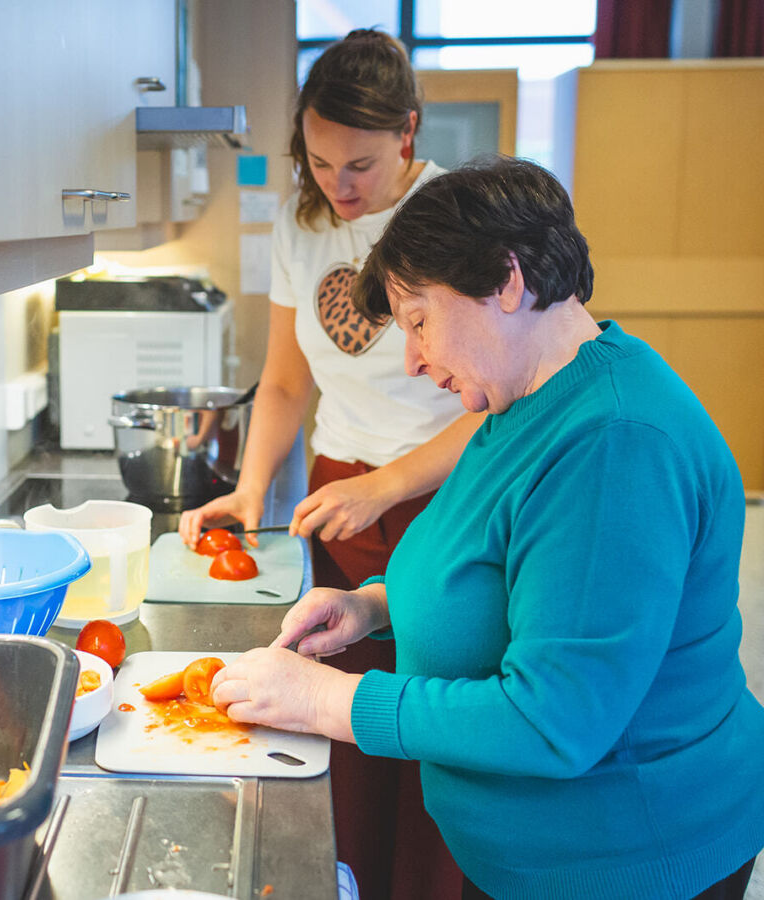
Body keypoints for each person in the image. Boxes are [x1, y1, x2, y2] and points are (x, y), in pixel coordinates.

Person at [209, 155, 764, 900]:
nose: (412, 360)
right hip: (528, 859)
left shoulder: (615, 445)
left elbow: (553, 719)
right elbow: (497, 565)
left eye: (419, 321)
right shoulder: (523, 401)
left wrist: (327, 701)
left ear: (506, 280)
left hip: (622, 860)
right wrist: (375, 606)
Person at [178, 29, 477, 898]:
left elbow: (505, 407)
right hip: (335, 502)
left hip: (442, 503)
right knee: (337, 730)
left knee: (427, 735)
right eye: (317, 162)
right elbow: (282, 382)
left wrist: (388, 483)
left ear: (408, 136)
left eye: (360, 166)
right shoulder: (299, 220)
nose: (338, 188)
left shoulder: (454, 218)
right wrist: (248, 488)